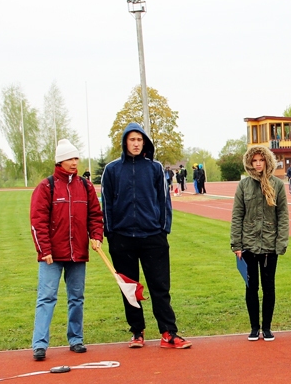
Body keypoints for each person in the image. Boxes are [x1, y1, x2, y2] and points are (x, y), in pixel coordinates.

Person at [100, 122, 191, 349]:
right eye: (132, 140)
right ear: (124, 142)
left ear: (145, 142)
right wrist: (110, 233)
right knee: (129, 288)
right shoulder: (112, 170)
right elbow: (107, 204)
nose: (136, 144)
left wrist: (163, 229)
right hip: (122, 238)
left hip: (153, 237)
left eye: (140, 140)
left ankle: (168, 332)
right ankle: (137, 331)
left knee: (160, 286)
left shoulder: (155, 168)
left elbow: (164, 200)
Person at [29, 139, 103, 361]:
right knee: (47, 297)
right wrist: (45, 250)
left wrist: (96, 236)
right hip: (51, 256)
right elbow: (38, 221)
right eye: (70, 158)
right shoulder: (46, 186)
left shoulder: (86, 186)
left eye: (76, 158)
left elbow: (95, 216)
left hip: (77, 253)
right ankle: (39, 344)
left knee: (77, 298)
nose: (74, 162)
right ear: (59, 161)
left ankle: (76, 339)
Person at [230, 145, 289, 341]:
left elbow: (283, 216)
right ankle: (254, 328)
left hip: (270, 246)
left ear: (267, 162)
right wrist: (236, 244)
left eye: (261, 160)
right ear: (249, 163)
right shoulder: (244, 185)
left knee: (269, 287)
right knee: (251, 287)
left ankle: (267, 327)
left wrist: (281, 243)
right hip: (248, 245)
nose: (257, 164)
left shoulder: (277, 185)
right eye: (254, 161)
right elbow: (237, 215)